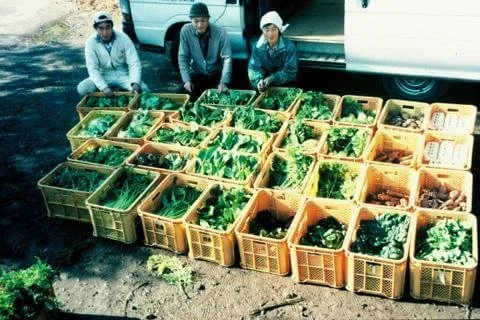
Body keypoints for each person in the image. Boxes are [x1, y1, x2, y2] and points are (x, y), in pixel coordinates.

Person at [77, 11, 148, 96]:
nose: (105, 32)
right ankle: (114, 91)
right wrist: (103, 87)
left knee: (143, 90)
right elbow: (93, 68)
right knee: (82, 88)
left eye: (108, 27)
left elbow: (134, 62)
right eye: (101, 28)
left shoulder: (123, 38)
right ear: (96, 28)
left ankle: (123, 89)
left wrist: (135, 82)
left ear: (112, 26)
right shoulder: (91, 42)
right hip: (104, 74)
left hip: (124, 74)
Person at [178, 2, 232, 99]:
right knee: (183, 95)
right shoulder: (185, 31)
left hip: (215, 75)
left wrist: (223, 81)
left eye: (203, 20)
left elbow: (227, 58)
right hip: (196, 74)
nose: (199, 25)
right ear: (191, 20)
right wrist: (186, 80)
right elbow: (183, 56)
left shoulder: (220, 33)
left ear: (208, 19)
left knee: (222, 98)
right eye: (196, 21)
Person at [248, 11, 298, 92]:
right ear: (262, 31)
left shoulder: (289, 47)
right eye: (266, 30)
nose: (270, 34)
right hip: (265, 84)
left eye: (274, 29)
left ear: (279, 30)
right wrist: (258, 80)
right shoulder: (258, 47)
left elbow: (290, 71)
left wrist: (272, 79)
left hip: (285, 83)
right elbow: (253, 68)